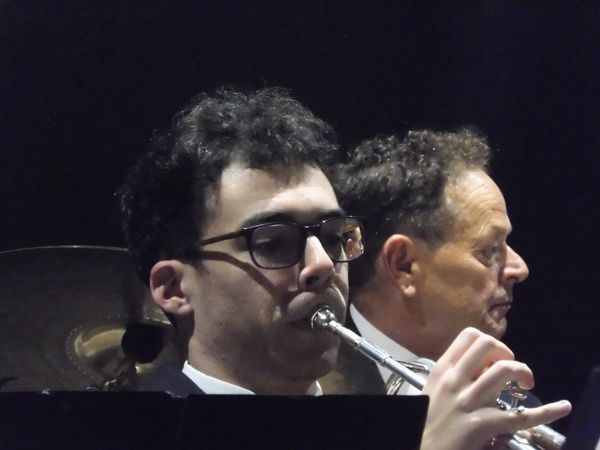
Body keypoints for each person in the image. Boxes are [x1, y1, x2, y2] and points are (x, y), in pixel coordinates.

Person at [119, 90, 570, 449]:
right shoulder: (133, 436)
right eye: (274, 243)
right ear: (173, 288)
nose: (322, 264)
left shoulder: (379, 424)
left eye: (335, 237)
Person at [331, 129, 532, 396]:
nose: (519, 269)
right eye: (490, 249)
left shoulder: (517, 402)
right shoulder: (309, 389)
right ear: (403, 265)